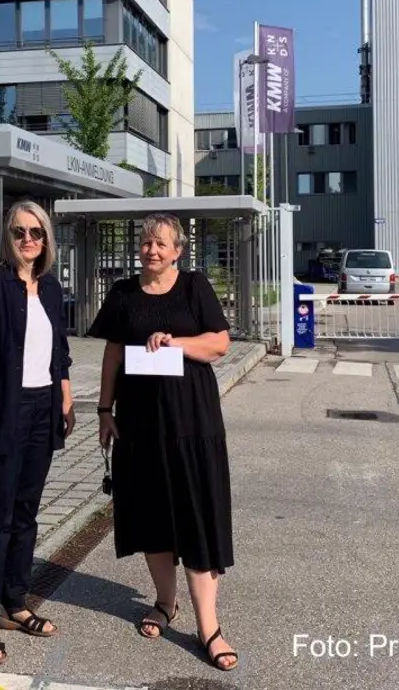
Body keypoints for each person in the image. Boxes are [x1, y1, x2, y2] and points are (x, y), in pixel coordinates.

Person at [88, 213, 238, 672]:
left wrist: (176, 344)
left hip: (192, 423)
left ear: (178, 251)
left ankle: (208, 627)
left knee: (196, 516)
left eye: (160, 244)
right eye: (146, 243)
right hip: (139, 425)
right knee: (152, 515)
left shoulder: (194, 287)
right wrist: (104, 410)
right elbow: (114, 353)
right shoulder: (123, 294)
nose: (150, 250)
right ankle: (164, 602)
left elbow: (220, 344)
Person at [0, 200, 76, 667]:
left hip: (43, 410)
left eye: (37, 233)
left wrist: (66, 398)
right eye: (20, 232)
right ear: (7, 237)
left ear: (47, 240)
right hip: (2, 412)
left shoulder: (50, 289)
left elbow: (60, 351)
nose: (29, 240)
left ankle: (15, 602)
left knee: (26, 513)